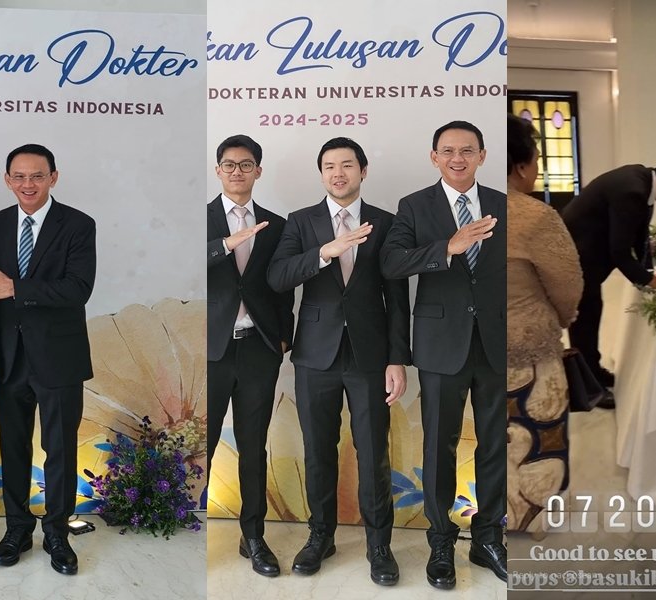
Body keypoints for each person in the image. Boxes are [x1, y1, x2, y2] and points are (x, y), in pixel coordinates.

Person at [267, 137, 410, 587]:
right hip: (315, 353)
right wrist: (324, 253)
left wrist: (397, 358)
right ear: (322, 173)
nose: (338, 173)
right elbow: (277, 277)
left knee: (373, 454)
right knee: (318, 451)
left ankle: (379, 546)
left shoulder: (386, 223)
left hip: (370, 356)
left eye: (347, 165)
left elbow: (397, 295)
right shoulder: (302, 222)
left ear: (363, 171)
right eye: (329, 166)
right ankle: (320, 536)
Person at [380, 120, 507, 588]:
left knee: (495, 444)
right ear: (434, 157)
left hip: (493, 343)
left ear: (482, 156)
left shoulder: (503, 205)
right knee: (439, 446)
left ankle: (489, 537)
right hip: (439, 346)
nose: (458, 158)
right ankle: (440, 540)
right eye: (448, 151)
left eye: (467, 151)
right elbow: (391, 264)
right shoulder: (415, 206)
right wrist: (447, 248)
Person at [0, 144, 96, 576]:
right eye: (19, 176)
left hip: (60, 358)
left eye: (37, 176)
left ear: (54, 177)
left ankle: (57, 533)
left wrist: (19, 289)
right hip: (11, 360)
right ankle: (16, 529)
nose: (28, 184)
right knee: (13, 450)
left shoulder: (79, 225)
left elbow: (77, 289)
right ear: (8, 180)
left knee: (60, 450)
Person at [206, 134, 294, 577]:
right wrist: (225, 243)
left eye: (245, 164)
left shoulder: (277, 225)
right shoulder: (198, 219)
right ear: (218, 170)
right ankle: (192, 533)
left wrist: (284, 337)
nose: (237, 171)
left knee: (253, 447)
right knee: (199, 446)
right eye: (228, 164)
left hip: (259, 349)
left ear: (258, 170)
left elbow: (283, 286)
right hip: (211, 350)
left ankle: (253, 537)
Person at [504, 114, 582, 532]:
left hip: (477, 349)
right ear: (521, 165)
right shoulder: (536, 216)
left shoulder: (463, 208)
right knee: (537, 439)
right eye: (536, 162)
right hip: (531, 352)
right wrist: (563, 319)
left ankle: (487, 522)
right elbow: (568, 286)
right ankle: (529, 522)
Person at [561, 158, 656, 392]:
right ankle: (587, 387)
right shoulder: (633, 190)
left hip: (587, 253)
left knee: (592, 313)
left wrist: (650, 275)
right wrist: (649, 281)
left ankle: (593, 371)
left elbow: (640, 239)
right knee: (586, 319)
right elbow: (620, 252)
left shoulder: (643, 183)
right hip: (577, 255)